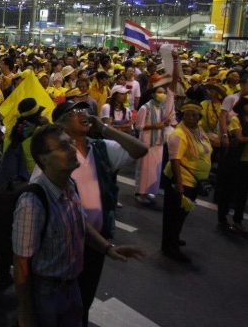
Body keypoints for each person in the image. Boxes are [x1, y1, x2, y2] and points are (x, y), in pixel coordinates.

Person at [13, 124, 144, 327]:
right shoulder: (32, 201)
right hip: (47, 293)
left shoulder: (70, 185)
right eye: (64, 146)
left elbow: (80, 223)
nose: (73, 149)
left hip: (72, 287)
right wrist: (26, 313)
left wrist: (108, 249)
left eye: (71, 143)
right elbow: (21, 263)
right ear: (44, 158)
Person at [52, 100, 148, 327]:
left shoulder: (101, 147)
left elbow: (140, 149)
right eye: (75, 112)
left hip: (96, 240)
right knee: (61, 298)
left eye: (86, 111)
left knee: (85, 296)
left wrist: (104, 128)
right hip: (64, 240)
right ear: (61, 123)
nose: (84, 115)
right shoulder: (54, 154)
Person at [161, 101, 213, 262]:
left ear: (199, 117)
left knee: (181, 214)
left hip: (193, 182)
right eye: (187, 114)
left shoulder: (198, 130)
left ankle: (174, 239)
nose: (191, 117)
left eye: (195, 115)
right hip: (182, 180)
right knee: (174, 216)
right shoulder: (179, 134)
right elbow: (175, 160)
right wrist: (179, 183)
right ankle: (170, 247)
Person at [217, 94, 248, 233]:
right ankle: (222, 217)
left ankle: (237, 220)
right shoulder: (235, 119)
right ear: (242, 105)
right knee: (230, 189)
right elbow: (239, 138)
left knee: (243, 192)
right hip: (236, 160)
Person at [133, 83, 172, 206]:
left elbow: (163, 123)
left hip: (158, 142)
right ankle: (140, 193)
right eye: (160, 92)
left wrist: (165, 123)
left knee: (155, 169)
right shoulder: (146, 108)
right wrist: (155, 126)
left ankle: (149, 190)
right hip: (147, 141)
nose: (162, 95)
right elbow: (138, 126)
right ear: (153, 94)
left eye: (164, 93)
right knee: (144, 168)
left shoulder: (162, 108)